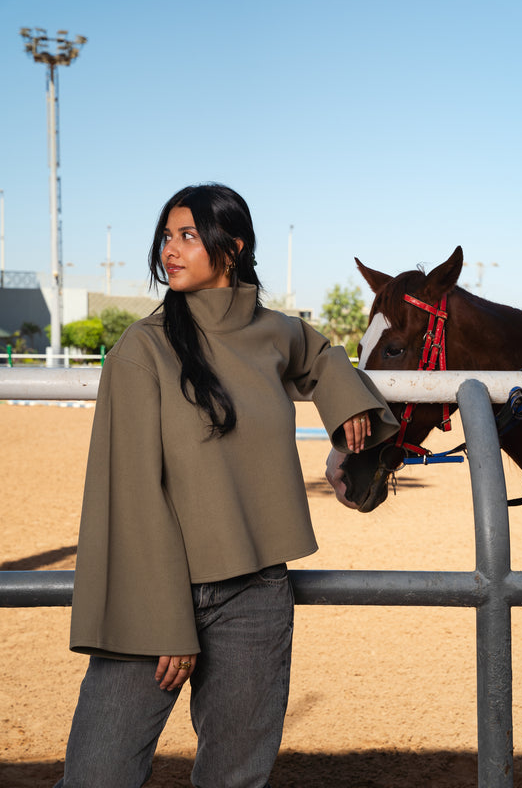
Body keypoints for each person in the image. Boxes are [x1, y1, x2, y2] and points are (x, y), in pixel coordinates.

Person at [54, 183, 399, 788]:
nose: (171, 250)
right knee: (97, 775)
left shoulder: (273, 331)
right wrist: (168, 623)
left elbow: (321, 356)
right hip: (154, 597)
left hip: (257, 592)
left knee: (236, 779)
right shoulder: (142, 349)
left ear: (232, 247)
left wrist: (345, 405)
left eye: (188, 235)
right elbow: (134, 496)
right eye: (167, 236)